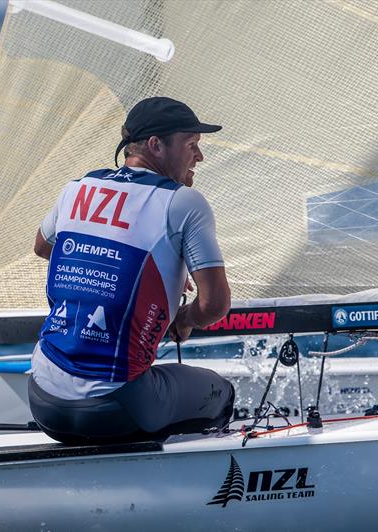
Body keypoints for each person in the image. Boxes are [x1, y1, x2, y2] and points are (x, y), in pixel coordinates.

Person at [29, 97, 234, 444]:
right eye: (192, 145)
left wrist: (138, 272)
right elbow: (214, 306)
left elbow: (43, 246)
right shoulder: (183, 202)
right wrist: (182, 319)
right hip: (117, 407)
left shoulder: (77, 188)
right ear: (156, 145)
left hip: (42, 398)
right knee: (221, 393)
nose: (199, 157)